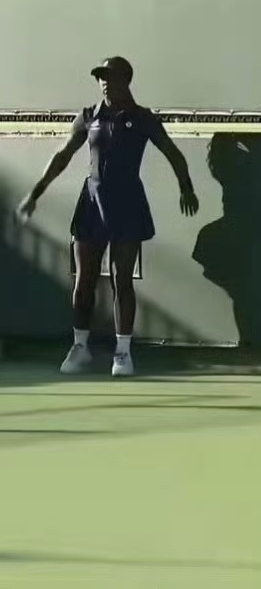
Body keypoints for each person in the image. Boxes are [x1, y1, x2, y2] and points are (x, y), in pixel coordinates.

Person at [16, 56, 199, 377]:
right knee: (84, 279)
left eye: (109, 76)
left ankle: (123, 353)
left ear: (125, 80)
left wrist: (186, 188)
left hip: (127, 203)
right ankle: (80, 347)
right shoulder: (88, 116)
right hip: (91, 203)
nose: (103, 82)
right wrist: (35, 194)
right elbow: (62, 156)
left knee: (121, 280)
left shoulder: (143, 118)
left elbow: (173, 153)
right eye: (100, 77)